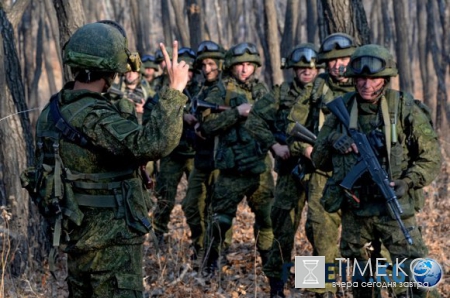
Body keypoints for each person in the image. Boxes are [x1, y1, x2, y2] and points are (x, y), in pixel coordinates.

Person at [21, 20, 189, 297]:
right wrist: (175, 90)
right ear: (112, 69)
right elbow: (155, 143)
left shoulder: (54, 110)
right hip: (110, 245)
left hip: (78, 238)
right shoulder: (93, 115)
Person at [311, 44, 441, 298]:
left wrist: (408, 181)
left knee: (415, 277)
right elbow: (318, 160)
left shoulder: (403, 107)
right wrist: (334, 142)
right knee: (362, 281)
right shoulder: (341, 110)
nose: (366, 84)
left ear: (386, 78)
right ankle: (314, 288)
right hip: (356, 211)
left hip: (394, 209)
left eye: (373, 78)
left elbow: (432, 156)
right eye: (360, 78)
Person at [245, 43, 324, 297]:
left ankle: (312, 283)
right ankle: (277, 286)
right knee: (283, 229)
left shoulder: (327, 91)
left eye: (311, 67)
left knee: (319, 230)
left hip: (320, 172)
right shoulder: (280, 95)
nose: (307, 71)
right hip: (291, 171)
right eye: (301, 67)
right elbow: (255, 120)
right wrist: (274, 145)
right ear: (293, 69)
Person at [197, 42, 274, 275]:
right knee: (220, 222)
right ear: (231, 66)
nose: (244, 70)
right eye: (240, 65)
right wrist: (235, 114)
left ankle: (272, 269)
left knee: (267, 220)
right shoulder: (219, 91)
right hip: (231, 170)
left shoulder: (263, 92)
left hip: (260, 168)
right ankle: (210, 268)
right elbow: (207, 126)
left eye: (249, 65)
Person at [180, 40, 229, 265]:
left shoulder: (228, 89)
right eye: (204, 65)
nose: (207, 69)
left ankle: (216, 253)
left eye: (212, 64)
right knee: (192, 206)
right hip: (202, 158)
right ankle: (201, 248)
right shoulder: (202, 89)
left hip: (222, 159)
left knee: (217, 212)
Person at [152, 46, 200, 243]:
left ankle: (201, 241)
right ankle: (158, 236)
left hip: (195, 153)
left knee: (197, 201)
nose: (187, 74)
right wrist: (181, 116)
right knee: (165, 198)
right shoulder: (164, 90)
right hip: (172, 152)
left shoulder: (202, 89)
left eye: (190, 70)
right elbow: (155, 114)